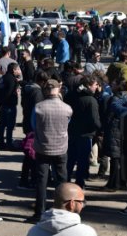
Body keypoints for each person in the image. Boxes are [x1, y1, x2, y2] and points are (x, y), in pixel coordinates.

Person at [29, 79, 73, 221]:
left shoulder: (38, 107)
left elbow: (33, 125)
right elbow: (67, 124)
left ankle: (39, 213)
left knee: (41, 181)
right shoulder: (67, 108)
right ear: (58, 89)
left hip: (42, 148)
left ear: (46, 90)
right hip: (61, 148)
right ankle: (62, 211)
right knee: (61, 181)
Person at [67, 75, 101, 189]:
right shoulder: (91, 100)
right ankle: (79, 182)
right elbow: (95, 120)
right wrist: (99, 130)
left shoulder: (72, 95)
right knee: (82, 161)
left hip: (71, 132)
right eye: (95, 85)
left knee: (70, 158)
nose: (97, 87)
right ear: (89, 85)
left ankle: (65, 180)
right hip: (86, 134)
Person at [27, 183, 97, 236]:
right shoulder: (86, 233)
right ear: (71, 204)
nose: (82, 205)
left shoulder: (33, 231)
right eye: (82, 202)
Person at [0, 62, 21, 150]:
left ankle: (1, 142)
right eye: (18, 69)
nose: (19, 71)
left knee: (2, 125)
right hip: (9, 105)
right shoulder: (11, 79)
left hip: (3, 105)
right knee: (9, 126)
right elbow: (8, 93)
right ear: (14, 70)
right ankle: (9, 144)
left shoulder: (3, 78)